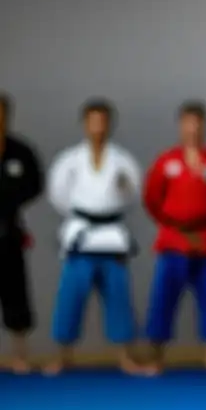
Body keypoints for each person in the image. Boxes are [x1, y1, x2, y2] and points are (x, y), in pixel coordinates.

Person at [45, 98, 151, 376]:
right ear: (84, 124)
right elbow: (57, 193)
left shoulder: (123, 160)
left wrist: (124, 188)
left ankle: (125, 357)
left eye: (102, 121)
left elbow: (135, 194)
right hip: (82, 232)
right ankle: (62, 356)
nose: (98, 127)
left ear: (110, 125)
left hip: (112, 235)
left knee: (119, 297)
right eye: (93, 121)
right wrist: (81, 215)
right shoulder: (69, 159)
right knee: (70, 297)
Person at [142, 101, 206, 375]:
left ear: (205, 126)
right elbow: (151, 199)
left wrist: (198, 221)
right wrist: (176, 225)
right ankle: (156, 357)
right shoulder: (165, 162)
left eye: (198, 123)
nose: (193, 129)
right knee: (164, 299)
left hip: (205, 239)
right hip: (173, 239)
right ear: (180, 126)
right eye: (187, 123)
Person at [0, 93, 44, 374]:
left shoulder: (21, 151)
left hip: (9, 230)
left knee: (16, 294)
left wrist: (11, 201)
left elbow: (35, 184)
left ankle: (20, 355)